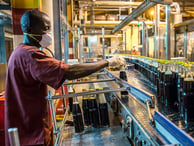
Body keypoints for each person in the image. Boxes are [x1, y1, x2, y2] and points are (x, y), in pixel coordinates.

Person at [5, 9, 125, 146]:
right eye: (46, 28)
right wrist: (108, 62)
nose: (49, 33)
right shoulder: (30, 55)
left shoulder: (21, 51)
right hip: (30, 134)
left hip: (29, 127)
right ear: (31, 29)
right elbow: (69, 72)